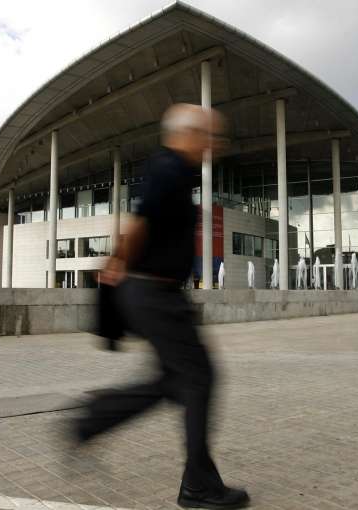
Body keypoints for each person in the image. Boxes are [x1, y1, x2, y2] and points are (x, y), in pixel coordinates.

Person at [72, 104, 249, 509]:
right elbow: (140, 222)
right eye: (208, 135)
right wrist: (117, 263)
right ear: (187, 133)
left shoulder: (175, 171)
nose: (213, 145)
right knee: (199, 378)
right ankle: (198, 486)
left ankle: (93, 419)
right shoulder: (169, 168)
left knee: (176, 380)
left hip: (159, 294)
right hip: (153, 293)